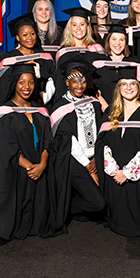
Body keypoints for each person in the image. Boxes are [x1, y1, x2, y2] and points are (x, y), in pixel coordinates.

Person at [0, 63, 62, 247]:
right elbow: (6, 147)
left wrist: (42, 163)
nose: (26, 87)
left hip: (39, 166)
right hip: (18, 169)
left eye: (30, 82)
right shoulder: (4, 113)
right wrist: (29, 166)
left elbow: (48, 140)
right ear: (14, 84)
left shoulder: (40, 111)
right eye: (22, 82)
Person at [95, 67, 140, 238]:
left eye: (133, 84)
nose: (129, 88)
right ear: (118, 88)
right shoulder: (111, 112)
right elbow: (102, 142)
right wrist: (113, 169)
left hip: (135, 175)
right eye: (124, 84)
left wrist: (127, 172)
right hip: (114, 171)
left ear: (139, 87)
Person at [50, 55, 106, 226]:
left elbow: (101, 132)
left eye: (83, 81)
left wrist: (96, 158)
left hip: (94, 157)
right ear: (67, 82)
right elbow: (68, 140)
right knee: (98, 203)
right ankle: (65, 207)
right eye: (74, 80)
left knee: (106, 199)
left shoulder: (94, 103)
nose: (79, 85)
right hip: (73, 160)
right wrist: (88, 165)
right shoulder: (61, 107)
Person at [0, 13, 56, 106]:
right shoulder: (8, 59)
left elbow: (52, 83)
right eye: (25, 35)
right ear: (17, 38)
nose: (29, 37)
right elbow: (3, 89)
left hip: (41, 108)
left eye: (32, 33)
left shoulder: (45, 58)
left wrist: (39, 78)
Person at [53, 7, 108, 102]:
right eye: (74, 25)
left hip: (94, 100)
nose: (78, 28)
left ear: (87, 27)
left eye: (82, 24)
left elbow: (104, 80)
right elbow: (60, 84)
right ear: (70, 28)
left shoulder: (97, 50)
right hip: (71, 102)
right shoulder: (64, 52)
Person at [91, 24, 140, 110]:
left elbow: (139, 92)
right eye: (114, 39)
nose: (118, 43)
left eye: (121, 40)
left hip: (128, 111)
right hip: (104, 110)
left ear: (126, 42)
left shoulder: (134, 64)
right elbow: (97, 93)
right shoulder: (99, 64)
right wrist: (107, 111)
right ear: (108, 41)